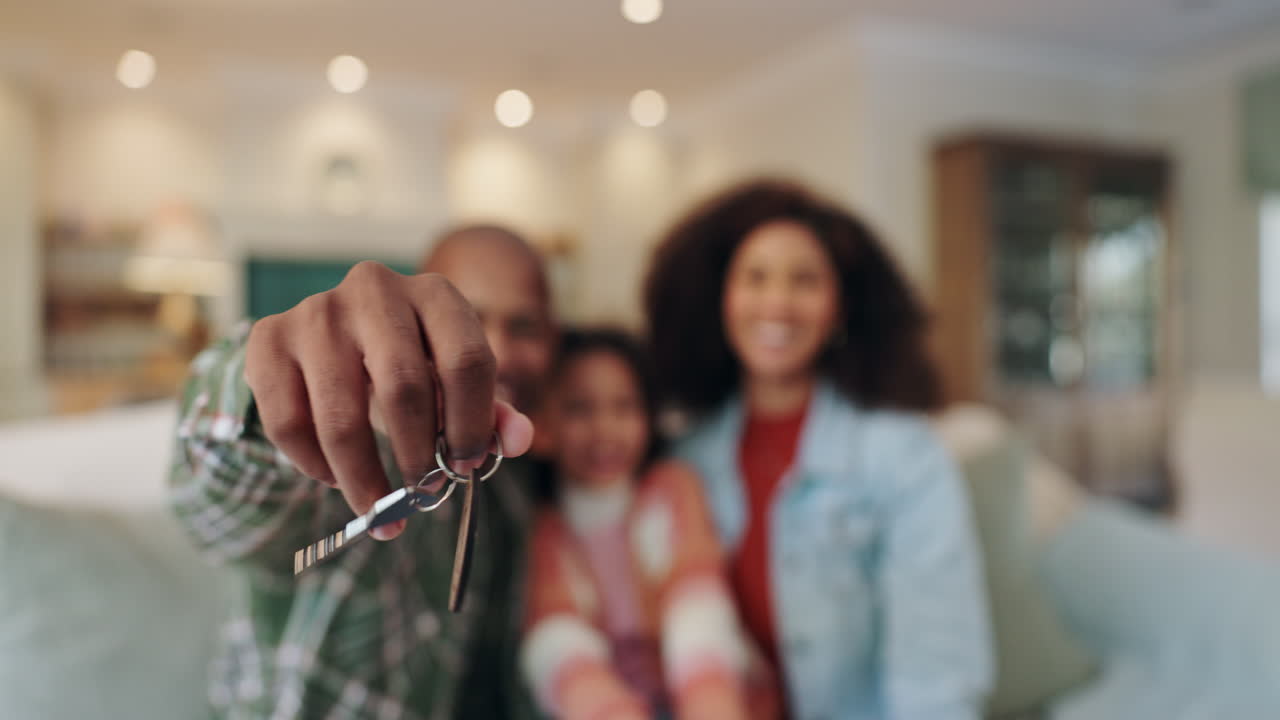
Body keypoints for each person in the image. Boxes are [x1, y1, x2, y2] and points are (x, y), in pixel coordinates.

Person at [169, 224, 556, 718]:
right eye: (470, 321)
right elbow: (214, 499)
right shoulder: (355, 449)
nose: (493, 353)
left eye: (524, 327)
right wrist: (266, 400)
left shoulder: (523, 488)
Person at [644, 179, 994, 720]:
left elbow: (938, 671)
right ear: (721, 298)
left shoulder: (905, 457)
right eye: (754, 277)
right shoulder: (684, 460)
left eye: (804, 280)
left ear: (841, 307)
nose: (777, 303)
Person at [520, 329, 777, 720]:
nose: (605, 429)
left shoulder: (673, 491)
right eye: (579, 409)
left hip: (713, 696)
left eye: (625, 407)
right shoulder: (544, 530)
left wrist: (710, 706)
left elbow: (699, 607)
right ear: (541, 426)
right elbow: (556, 642)